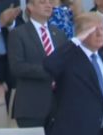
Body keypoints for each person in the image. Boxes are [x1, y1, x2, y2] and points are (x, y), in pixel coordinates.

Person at [8, 0, 67, 128]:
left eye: (50, 2)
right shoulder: (18, 34)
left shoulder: (59, 35)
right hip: (32, 105)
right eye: (42, 2)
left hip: (58, 105)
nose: (48, 5)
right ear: (30, 6)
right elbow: (17, 67)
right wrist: (49, 71)